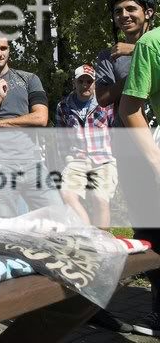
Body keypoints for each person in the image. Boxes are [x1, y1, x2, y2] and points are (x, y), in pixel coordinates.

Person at [101, 0, 160, 337]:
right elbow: (105, 97)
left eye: (131, 9)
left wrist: (138, 50)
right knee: (148, 228)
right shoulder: (110, 54)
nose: (124, 16)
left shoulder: (146, 45)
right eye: (119, 11)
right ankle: (156, 306)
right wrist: (137, 67)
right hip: (132, 147)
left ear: (148, 12)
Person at [0, 36, 62, 217]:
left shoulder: (29, 79)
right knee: (8, 230)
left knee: (57, 217)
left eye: (3, 48)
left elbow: (40, 118)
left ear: (9, 50)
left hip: (33, 163)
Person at [55, 64, 117, 227]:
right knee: (66, 194)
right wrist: (67, 159)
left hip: (103, 159)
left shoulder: (106, 103)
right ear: (74, 83)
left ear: (95, 83)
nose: (85, 85)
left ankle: (102, 242)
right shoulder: (63, 106)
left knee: (100, 198)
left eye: (89, 81)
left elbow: (115, 132)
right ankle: (89, 236)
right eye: (80, 81)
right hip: (77, 160)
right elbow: (61, 138)